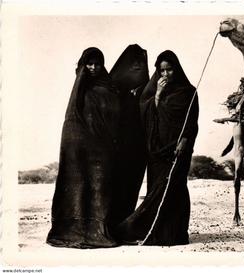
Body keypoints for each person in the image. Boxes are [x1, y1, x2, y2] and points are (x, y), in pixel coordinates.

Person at [114, 50, 199, 246]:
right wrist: (158, 95)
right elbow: (145, 114)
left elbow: (192, 121)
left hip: (179, 149)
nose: (166, 74)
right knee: (157, 190)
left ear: (176, 69)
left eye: (170, 69)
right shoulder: (152, 92)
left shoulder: (189, 92)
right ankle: (156, 232)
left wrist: (184, 141)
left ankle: (176, 234)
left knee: (175, 189)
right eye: (162, 70)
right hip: (157, 150)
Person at [46, 47, 120, 248]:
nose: (94, 67)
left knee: (100, 188)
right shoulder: (78, 89)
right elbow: (72, 122)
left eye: (98, 63)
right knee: (78, 186)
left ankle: (99, 231)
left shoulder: (110, 88)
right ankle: (73, 230)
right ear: (83, 65)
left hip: (103, 149)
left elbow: (116, 117)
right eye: (89, 63)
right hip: (79, 149)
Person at [107, 44, 150, 229]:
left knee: (131, 187)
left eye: (141, 63)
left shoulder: (148, 88)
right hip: (116, 147)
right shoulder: (113, 88)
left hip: (138, 148)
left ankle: (124, 225)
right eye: (134, 63)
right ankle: (110, 226)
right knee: (115, 187)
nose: (138, 67)